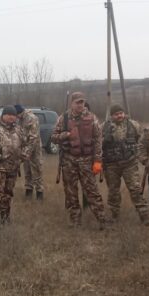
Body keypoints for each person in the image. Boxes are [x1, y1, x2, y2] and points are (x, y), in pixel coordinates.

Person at [51, 92, 108, 228]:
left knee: (92, 191)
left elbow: (98, 140)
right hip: (69, 160)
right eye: (77, 102)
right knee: (70, 192)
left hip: (87, 160)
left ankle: (102, 220)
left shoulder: (92, 118)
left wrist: (98, 160)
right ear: (72, 103)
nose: (80, 105)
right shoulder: (63, 118)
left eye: (82, 102)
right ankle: (75, 221)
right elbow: (53, 137)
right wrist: (64, 135)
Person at [101, 104, 149, 224]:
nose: (119, 116)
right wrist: (104, 140)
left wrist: (142, 155)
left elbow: (142, 141)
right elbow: (97, 143)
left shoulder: (133, 125)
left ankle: (144, 215)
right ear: (111, 115)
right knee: (113, 191)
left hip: (130, 163)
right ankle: (114, 216)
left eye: (121, 113)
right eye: (116, 114)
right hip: (111, 165)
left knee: (135, 189)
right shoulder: (104, 127)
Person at [15, 104, 45, 200]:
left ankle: (39, 193)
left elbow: (33, 137)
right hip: (25, 148)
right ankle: (28, 191)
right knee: (27, 170)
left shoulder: (31, 118)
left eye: (16, 115)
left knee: (37, 170)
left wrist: (27, 152)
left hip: (34, 149)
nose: (16, 117)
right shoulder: (19, 119)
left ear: (20, 113)